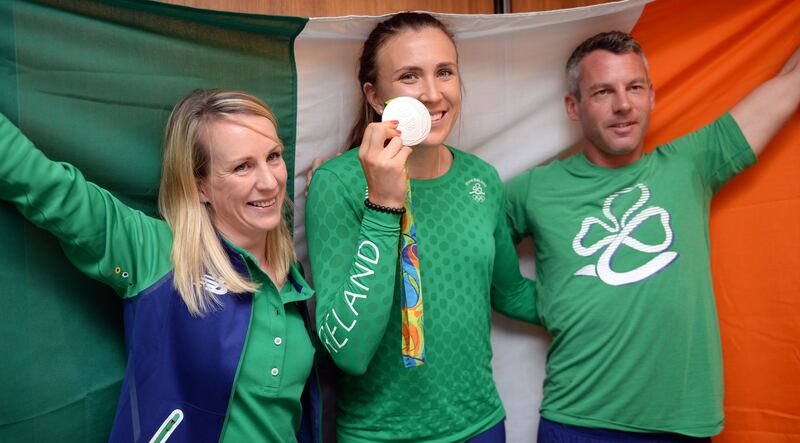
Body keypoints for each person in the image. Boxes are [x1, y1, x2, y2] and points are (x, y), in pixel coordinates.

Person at [505, 31, 800, 442]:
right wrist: (546, 303)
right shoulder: (535, 189)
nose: (623, 104)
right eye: (603, 91)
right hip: (578, 421)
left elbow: (792, 82)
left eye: (635, 87)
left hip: (680, 426)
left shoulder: (691, 163)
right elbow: (473, 250)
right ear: (574, 106)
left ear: (652, 97)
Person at [0, 89, 325, 443]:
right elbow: (44, 185)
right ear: (200, 186)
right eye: (242, 166)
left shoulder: (292, 275)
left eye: (273, 156)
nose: (270, 181)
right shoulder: (156, 254)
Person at [304, 12, 538, 443]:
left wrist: (612, 303)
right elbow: (349, 352)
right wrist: (383, 205)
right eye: (410, 76)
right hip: (380, 435)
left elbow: (511, 293)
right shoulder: (337, 184)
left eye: (444, 72)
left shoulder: (481, 179)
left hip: (480, 427)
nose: (433, 94)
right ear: (375, 97)